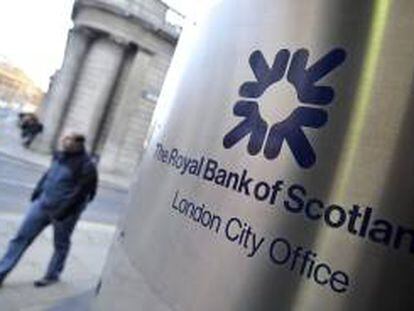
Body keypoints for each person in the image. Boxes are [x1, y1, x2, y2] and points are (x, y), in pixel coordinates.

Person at [0, 133, 98, 287]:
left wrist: (63, 211)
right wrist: (38, 191)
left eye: (68, 139)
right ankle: (1, 272)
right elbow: (48, 174)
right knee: (20, 238)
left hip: (64, 214)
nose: (63, 141)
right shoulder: (60, 156)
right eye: (64, 138)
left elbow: (82, 193)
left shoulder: (86, 165)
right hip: (42, 205)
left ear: (79, 144)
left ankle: (52, 274)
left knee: (60, 244)